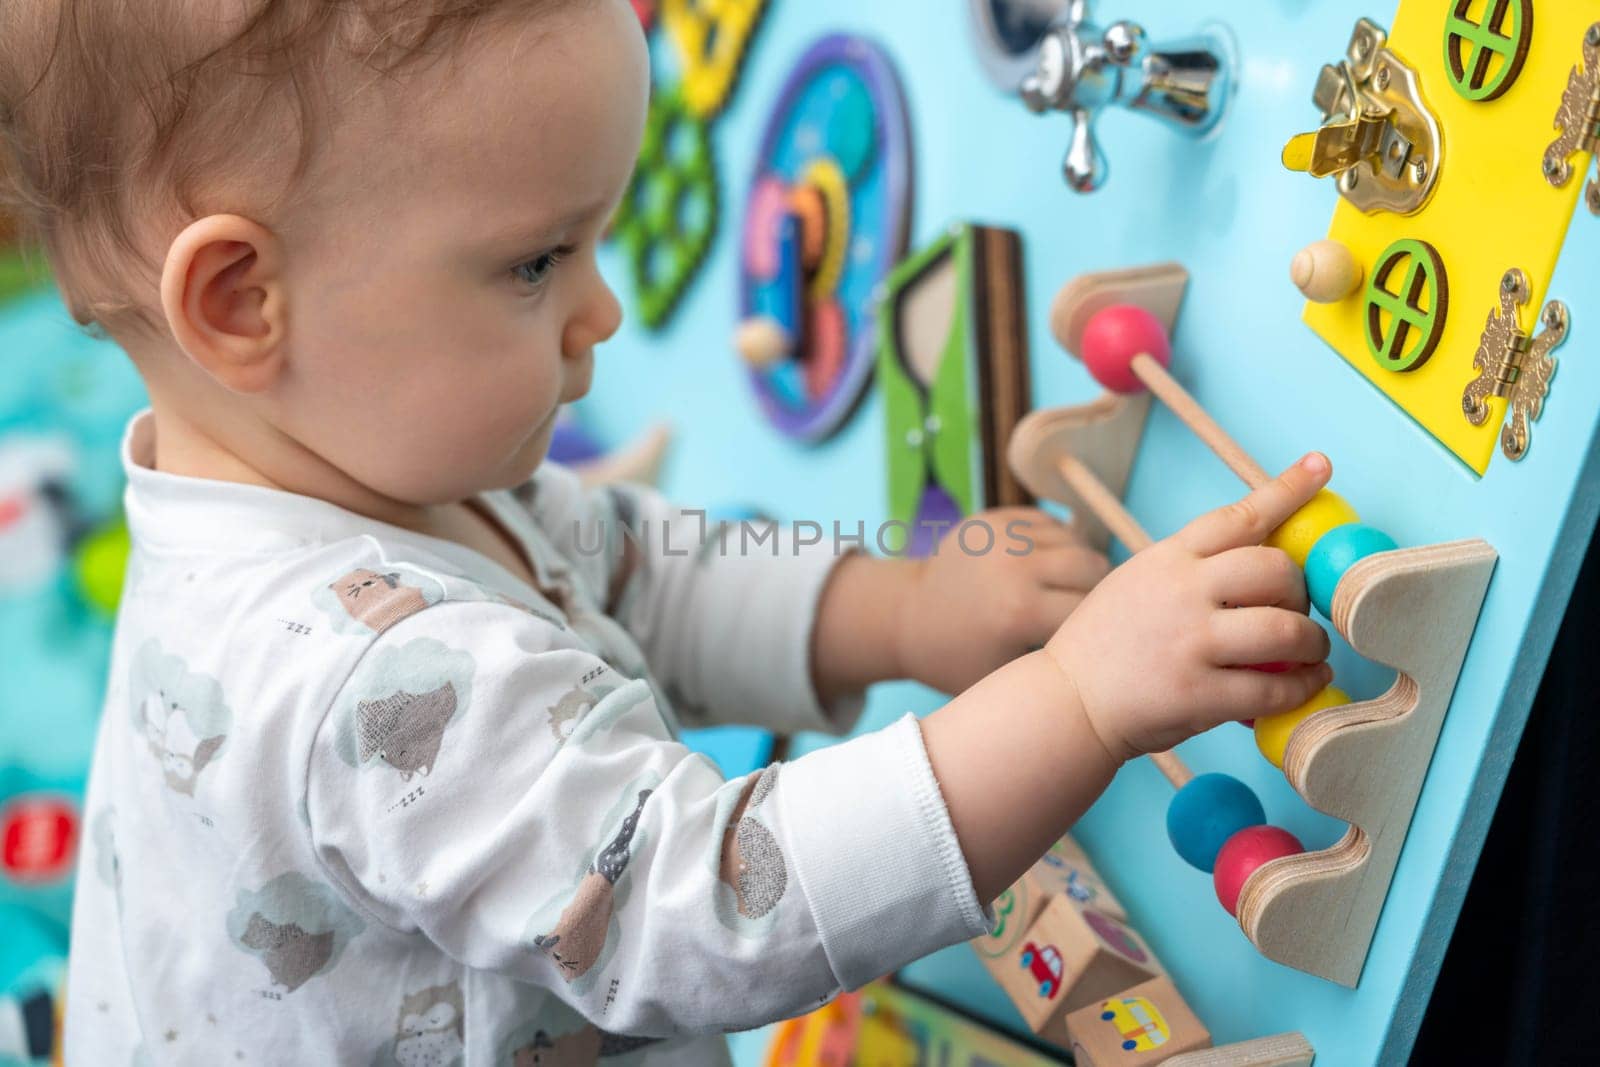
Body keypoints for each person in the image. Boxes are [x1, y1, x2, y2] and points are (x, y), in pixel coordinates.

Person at [0, 1, 1333, 1061]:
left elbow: (630, 567)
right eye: (535, 262)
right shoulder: (354, 681)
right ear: (241, 301)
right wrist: (1081, 703)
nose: (602, 314)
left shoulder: (350, 464)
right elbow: (713, 900)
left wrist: (902, 610)